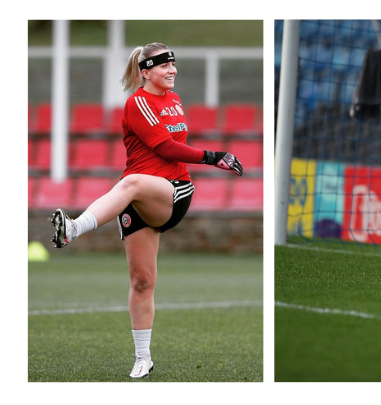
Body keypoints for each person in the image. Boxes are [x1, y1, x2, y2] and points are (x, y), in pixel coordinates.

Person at [49, 43, 244, 378]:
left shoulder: (175, 100)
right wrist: (214, 156)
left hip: (174, 192)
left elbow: (169, 152)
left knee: (132, 183)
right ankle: (143, 357)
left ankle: (74, 229)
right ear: (146, 71)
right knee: (142, 281)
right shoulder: (137, 102)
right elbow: (164, 146)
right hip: (140, 200)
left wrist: (211, 158)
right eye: (165, 66)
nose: (173, 70)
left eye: (173, 64)